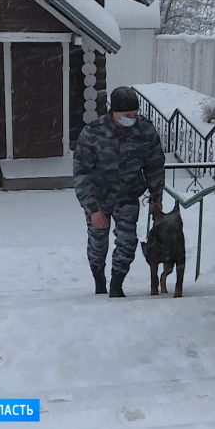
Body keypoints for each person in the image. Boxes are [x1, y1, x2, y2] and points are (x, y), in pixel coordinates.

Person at [73, 86, 166, 298]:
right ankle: (99, 279)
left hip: (128, 195)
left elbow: (155, 164)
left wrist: (156, 196)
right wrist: (93, 209)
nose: (131, 119)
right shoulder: (92, 133)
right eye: (126, 116)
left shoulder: (145, 131)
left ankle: (117, 284)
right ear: (112, 111)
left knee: (127, 241)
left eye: (134, 115)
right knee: (98, 243)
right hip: (98, 198)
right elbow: (81, 173)